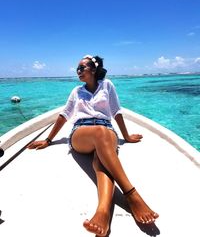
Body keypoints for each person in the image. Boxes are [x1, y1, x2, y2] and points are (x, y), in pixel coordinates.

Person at [27, 55, 159, 237]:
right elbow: (64, 115)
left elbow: (116, 111)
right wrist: (48, 140)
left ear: (94, 70)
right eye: (77, 69)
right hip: (82, 133)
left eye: (82, 68)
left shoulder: (107, 85)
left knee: (101, 156)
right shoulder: (76, 91)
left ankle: (103, 212)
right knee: (100, 133)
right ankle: (132, 194)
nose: (78, 71)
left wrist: (126, 136)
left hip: (106, 131)